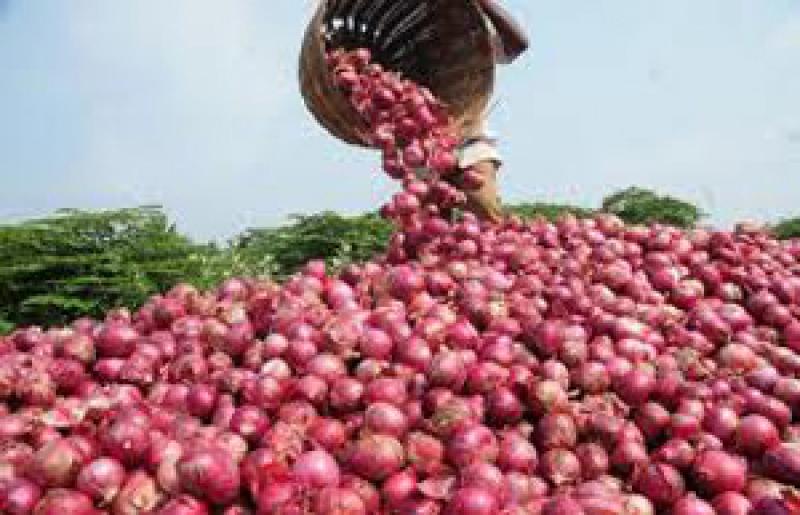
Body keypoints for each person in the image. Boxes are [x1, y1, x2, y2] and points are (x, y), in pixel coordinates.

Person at [455, 0, 529, 222]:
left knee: (488, 220)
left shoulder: (463, 31)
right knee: (423, 235)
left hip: (468, 145)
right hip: (422, 152)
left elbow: (517, 45)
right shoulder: (405, 35)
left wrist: (484, 4)